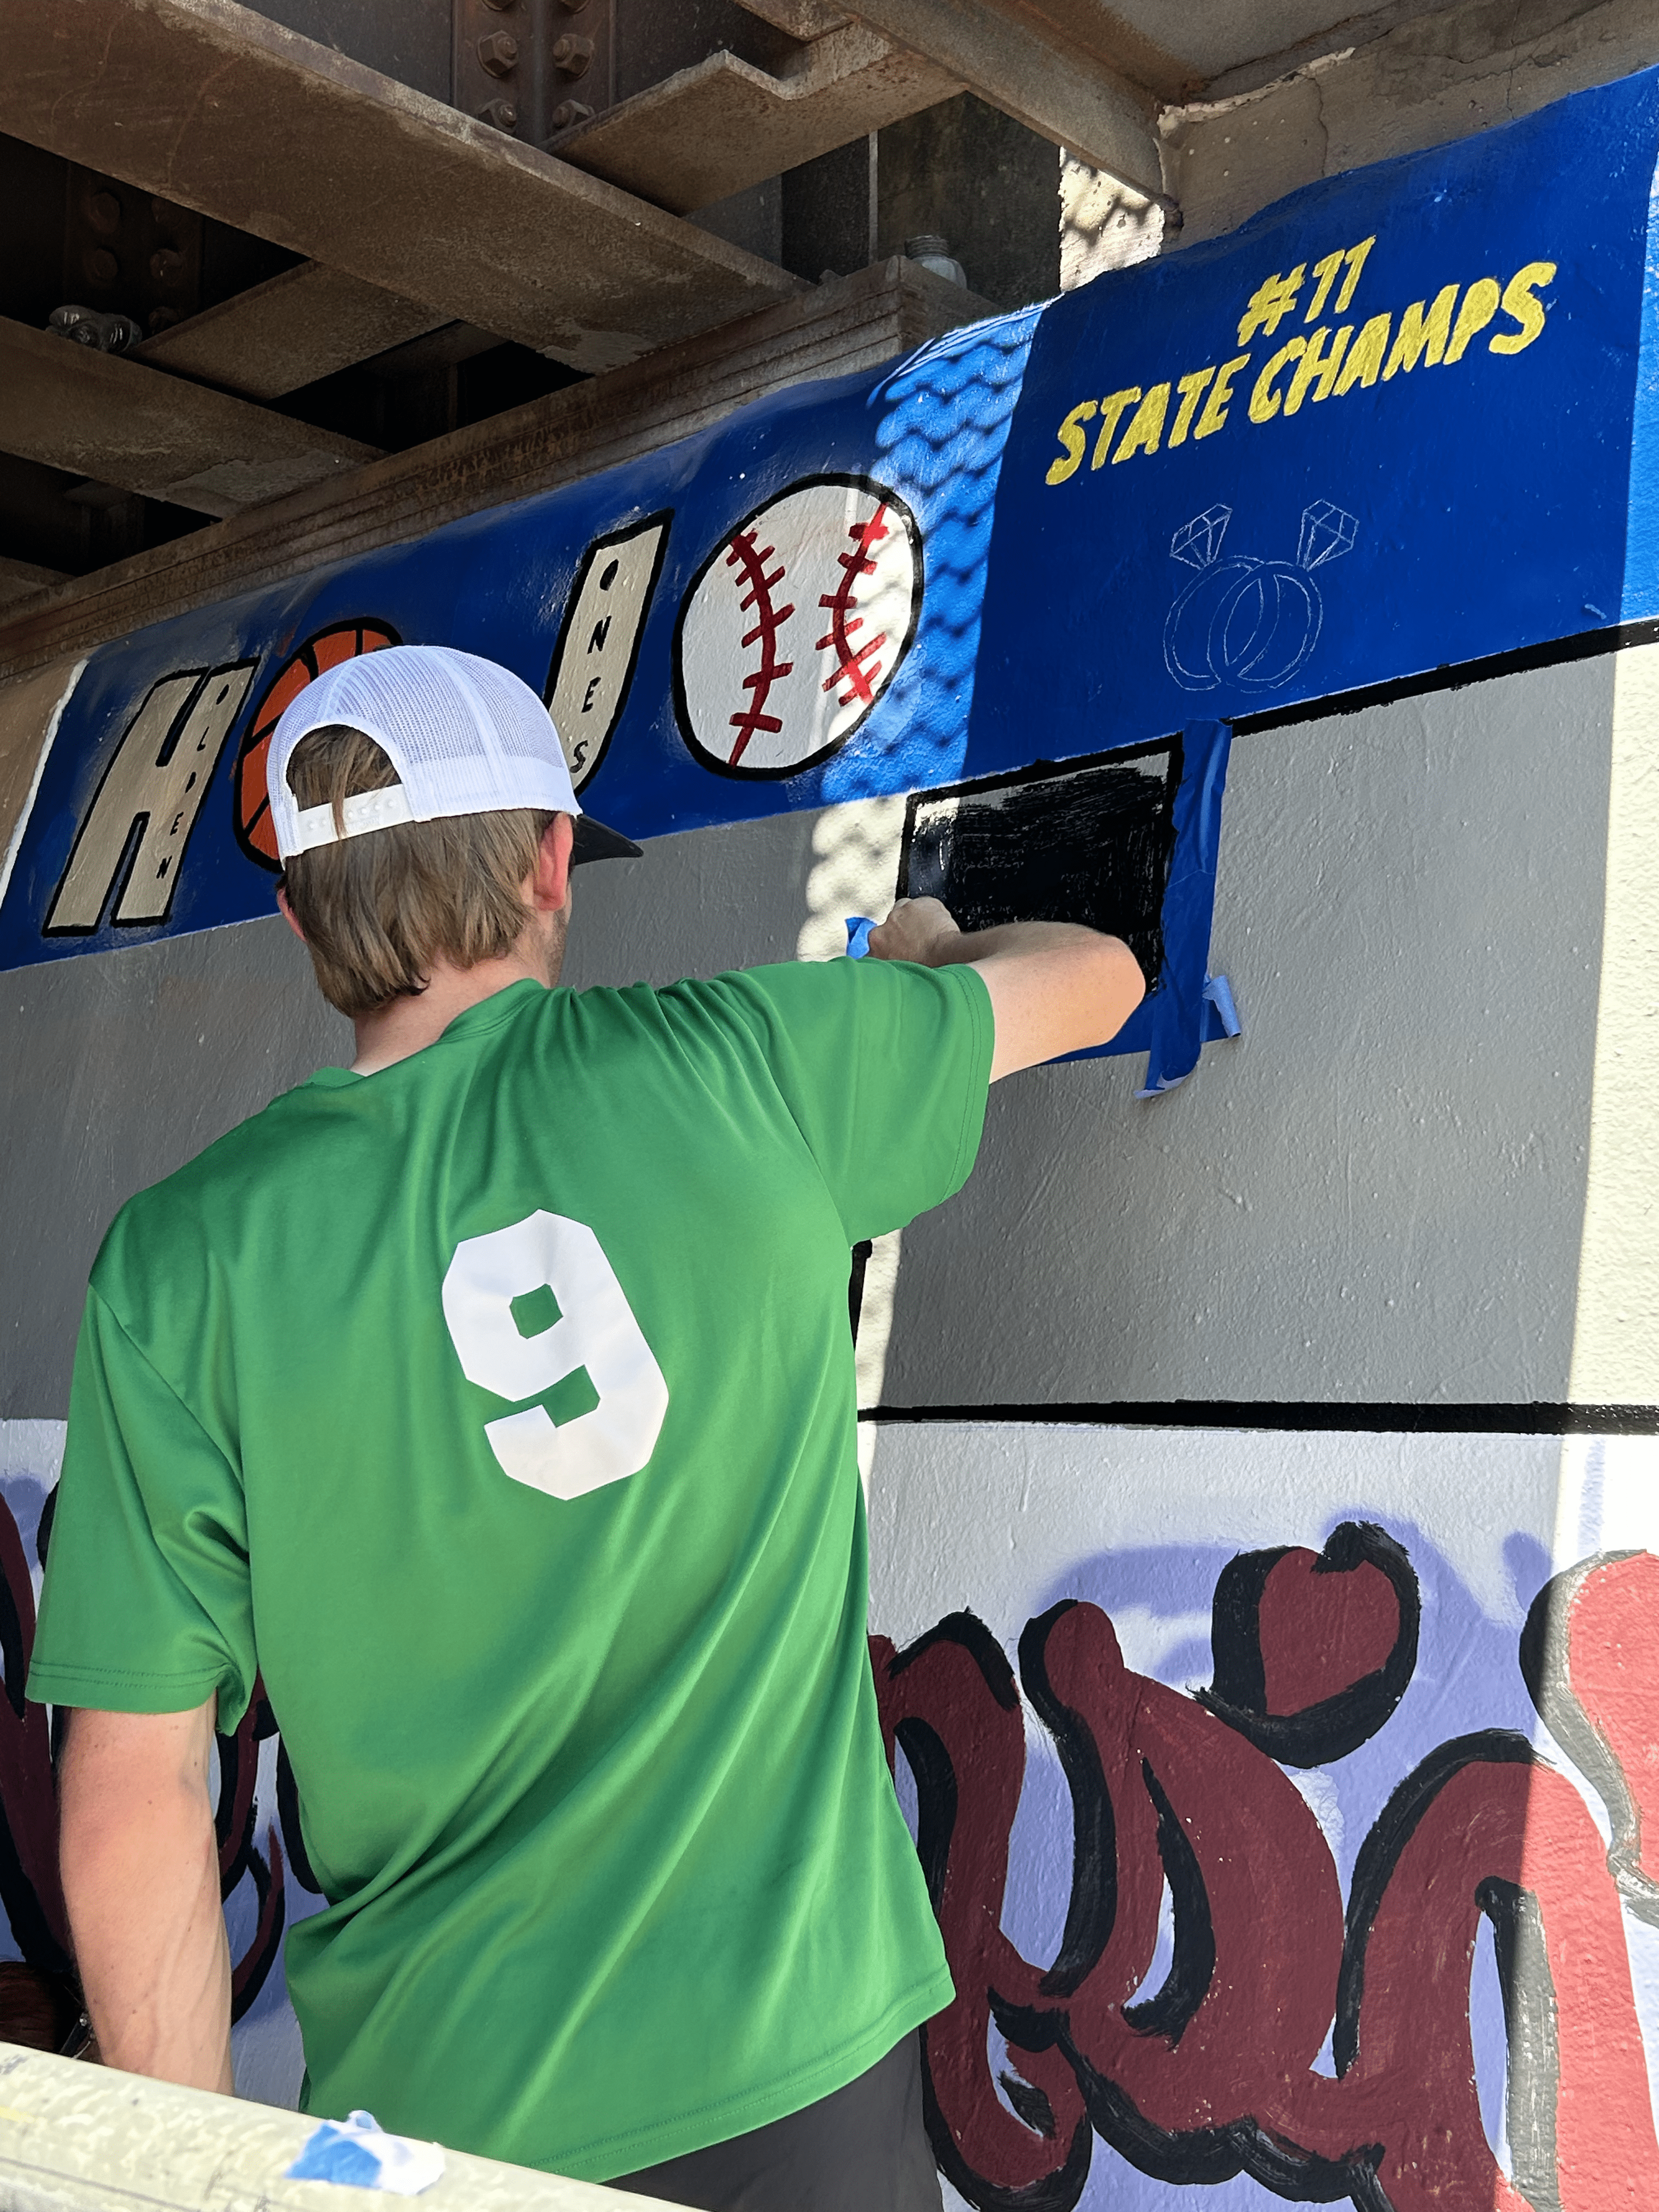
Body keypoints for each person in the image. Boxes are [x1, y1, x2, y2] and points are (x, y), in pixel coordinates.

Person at [29, 645, 1143, 2210]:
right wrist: (927, 954)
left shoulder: (180, 1260)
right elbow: (1101, 974)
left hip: (443, 2111)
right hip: (796, 2067)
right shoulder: (756, 1061)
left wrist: (187, 2178)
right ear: (551, 861)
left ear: (298, 917)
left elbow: (131, 1784)